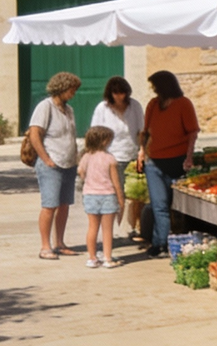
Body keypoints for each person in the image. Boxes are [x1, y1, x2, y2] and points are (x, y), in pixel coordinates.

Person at [137, 70, 199, 257]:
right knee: (159, 205)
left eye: (155, 86)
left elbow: (192, 133)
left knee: (178, 206)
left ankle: (179, 241)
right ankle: (160, 243)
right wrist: (141, 152)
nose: (153, 90)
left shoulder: (184, 104)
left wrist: (189, 157)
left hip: (177, 161)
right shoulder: (153, 105)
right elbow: (145, 132)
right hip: (154, 162)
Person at [29, 72, 81, 259]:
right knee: (49, 205)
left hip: (68, 163)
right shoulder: (45, 107)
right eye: (71, 90)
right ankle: (45, 246)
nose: (73, 94)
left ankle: (59, 243)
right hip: (51, 163)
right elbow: (34, 134)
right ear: (61, 88)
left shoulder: (69, 110)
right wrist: (46, 159)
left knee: (64, 205)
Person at [90, 76, 145, 243]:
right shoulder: (103, 108)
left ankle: (133, 228)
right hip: (111, 158)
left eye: (122, 93)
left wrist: (142, 150)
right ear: (110, 93)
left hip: (132, 155)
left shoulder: (134, 106)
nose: (119, 96)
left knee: (137, 195)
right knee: (114, 195)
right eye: (116, 93)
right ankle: (112, 231)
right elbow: (96, 132)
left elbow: (141, 130)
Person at [78, 126, 125, 269]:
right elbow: (116, 183)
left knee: (92, 227)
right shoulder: (110, 159)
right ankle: (107, 258)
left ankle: (92, 258)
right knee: (107, 229)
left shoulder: (86, 156)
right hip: (107, 195)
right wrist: (121, 199)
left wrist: (89, 181)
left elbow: (80, 172)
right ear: (105, 141)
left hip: (90, 195)